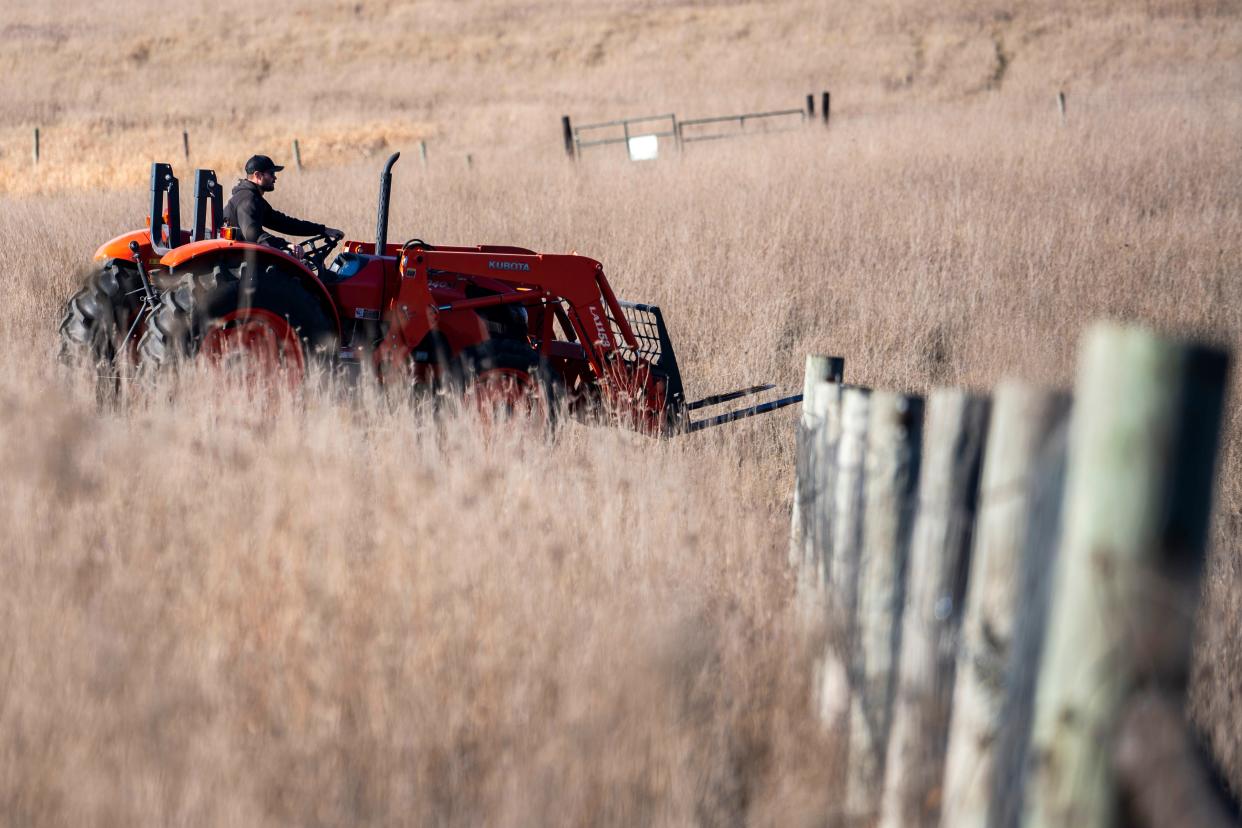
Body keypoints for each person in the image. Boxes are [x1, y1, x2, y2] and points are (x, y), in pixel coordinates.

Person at [224, 154, 342, 252]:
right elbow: (253, 235)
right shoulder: (247, 200)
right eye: (271, 173)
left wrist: (322, 230)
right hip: (238, 260)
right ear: (258, 175)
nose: (275, 178)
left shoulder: (252, 197)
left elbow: (283, 223)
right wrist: (285, 245)